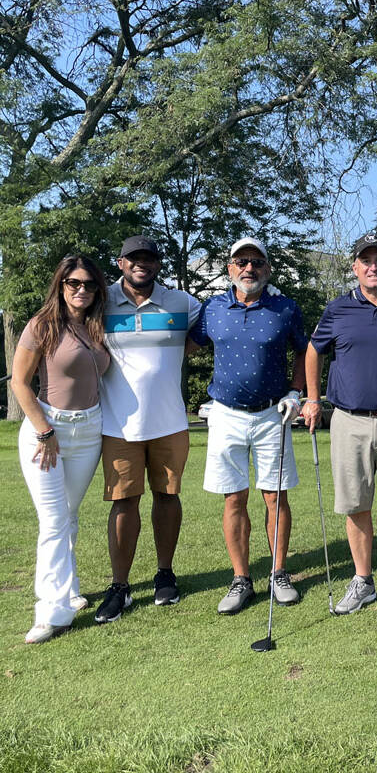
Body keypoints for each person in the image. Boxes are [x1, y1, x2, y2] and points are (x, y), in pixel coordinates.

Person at [302, 231, 377, 624]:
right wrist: (311, 398)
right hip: (349, 421)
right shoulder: (337, 310)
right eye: (365, 261)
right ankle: (362, 581)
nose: (373, 266)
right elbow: (312, 351)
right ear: (354, 267)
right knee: (356, 505)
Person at [187, 237, 306, 614]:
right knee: (234, 496)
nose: (249, 268)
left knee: (274, 495)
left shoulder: (285, 308)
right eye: (241, 262)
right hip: (225, 414)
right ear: (230, 268)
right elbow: (189, 345)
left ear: (267, 269)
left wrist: (297, 391)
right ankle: (241, 578)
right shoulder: (213, 309)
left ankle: (279, 572)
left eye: (256, 262)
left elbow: (305, 350)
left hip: (274, 413)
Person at [96, 235, 201, 623]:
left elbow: (212, 326)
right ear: (121, 263)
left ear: (158, 264)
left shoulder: (182, 302)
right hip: (117, 425)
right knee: (124, 502)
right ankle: (120, 586)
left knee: (167, 496)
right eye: (133, 259)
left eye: (149, 259)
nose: (142, 264)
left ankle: (165, 573)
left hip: (170, 422)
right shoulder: (99, 299)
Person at [11, 255, 110, 643]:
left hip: (89, 431)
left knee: (68, 515)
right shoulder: (42, 325)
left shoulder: (97, 326)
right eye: (73, 283)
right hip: (47, 432)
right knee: (53, 521)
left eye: (88, 284)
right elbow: (19, 382)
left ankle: (68, 589)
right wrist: (43, 430)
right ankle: (51, 611)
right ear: (61, 285)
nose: (81, 290)